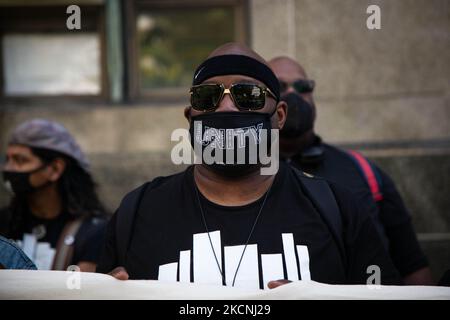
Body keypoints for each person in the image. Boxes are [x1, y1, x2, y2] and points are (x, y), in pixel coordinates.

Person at [97, 43, 401, 289]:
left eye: (249, 95)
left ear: (279, 116)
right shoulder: (138, 211)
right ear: (190, 116)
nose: (227, 106)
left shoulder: (337, 209)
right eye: (208, 95)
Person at [268, 56, 433, 285]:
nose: (293, 94)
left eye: (303, 87)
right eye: (279, 86)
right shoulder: (242, 178)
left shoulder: (364, 171)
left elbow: (412, 266)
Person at [0, 119, 108, 272]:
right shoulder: (5, 222)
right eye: (8, 160)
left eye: (20, 160)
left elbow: (78, 291)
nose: (9, 168)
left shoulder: (93, 232)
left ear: (55, 169)